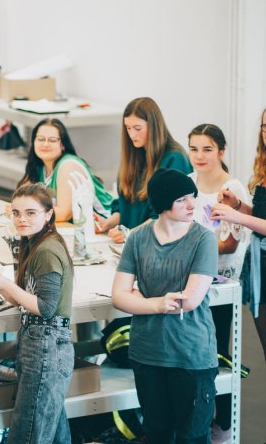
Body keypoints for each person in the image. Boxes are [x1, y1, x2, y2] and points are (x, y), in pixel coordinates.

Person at [112, 168, 218, 443]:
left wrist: (141, 300)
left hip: (190, 354)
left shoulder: (203, 239)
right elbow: (119, 297)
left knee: (192, 437)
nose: (192, 205)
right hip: (147, 353)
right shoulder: (137, 238)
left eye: (192, 197)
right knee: (157, 435)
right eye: (182, 199)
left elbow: (190, 300)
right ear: (163, 203)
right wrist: (159, 303)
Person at [0, 183, 74, 443]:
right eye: (16, 213)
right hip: (42, 343)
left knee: (29, 432)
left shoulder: (47, 250)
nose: (21, 219)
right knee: (51, 432)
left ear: (48, 214)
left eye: (30, 213)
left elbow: (45, 307)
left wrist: (4, 284)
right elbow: (26, 300)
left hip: (46, 346)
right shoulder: (36, 244)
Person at [187, 124, 249, 443]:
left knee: (218, 352)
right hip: (189, 278)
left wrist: (192, 246)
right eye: (194, 149)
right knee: (192, 351)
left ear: (222, 152)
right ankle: (196, 417)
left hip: (222, 282)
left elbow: (229, 244)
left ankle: (223, 423)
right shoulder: (187, 184)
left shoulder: (233, 187)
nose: (199, 156)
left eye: (207, 149)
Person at [212, 108, 266, 365]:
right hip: (261, 265)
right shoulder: (264, 167)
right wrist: (238, 206)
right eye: (264, 127)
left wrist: (238, 218)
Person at [96, 97, 192, 242]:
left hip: (159, 246)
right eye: (128, 128)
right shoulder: (135, 155)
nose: (132, 135)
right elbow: (125, 206)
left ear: (153, 126)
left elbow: (166, 217)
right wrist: (108, 223)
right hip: (132, 243)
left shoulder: (174, 159)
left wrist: (130, 233)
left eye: (137, 128)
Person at [19, 117, 113, 221]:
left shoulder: (67, 165)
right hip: (78, 228)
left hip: (107, 226)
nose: (45, 144)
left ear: (63, 145)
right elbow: (20, 200)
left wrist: (26, 211)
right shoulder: (38, 166)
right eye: (40, 139)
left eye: (52, 140)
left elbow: (64, 214)